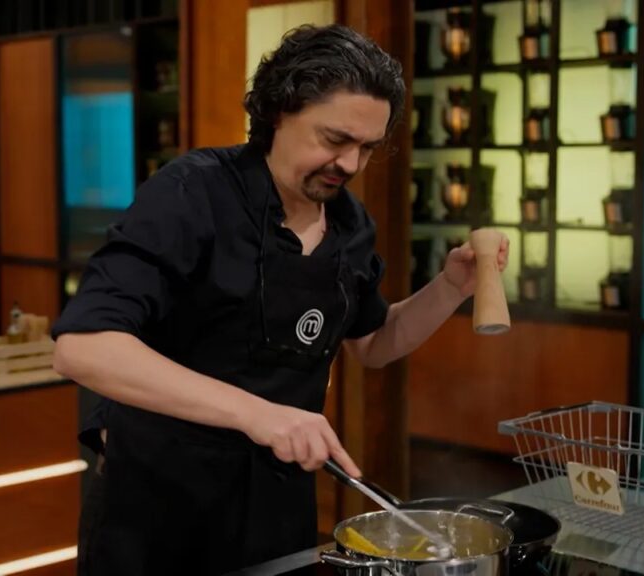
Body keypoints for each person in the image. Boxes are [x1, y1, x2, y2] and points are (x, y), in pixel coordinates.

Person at [52, 24, 509, 575]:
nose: (350, 164)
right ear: (277, 112)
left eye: (366, 148)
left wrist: (451, 288)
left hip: (277, 507)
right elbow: (83, 348)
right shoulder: (193, 193)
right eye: (334, 139)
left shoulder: (349, 223)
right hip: (159, 507)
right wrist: (258, 415)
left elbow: (373, 343)